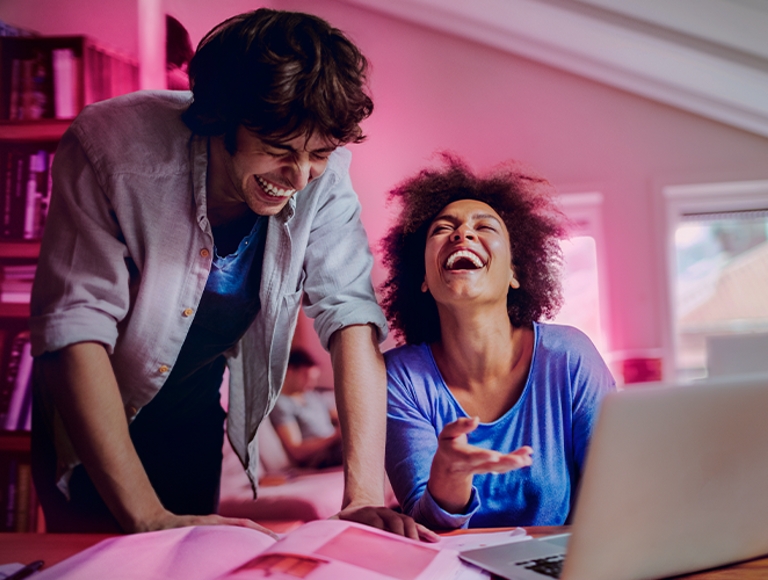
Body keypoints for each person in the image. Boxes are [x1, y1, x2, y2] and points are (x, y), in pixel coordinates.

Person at [30, 8, 433, 541]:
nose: (299, 177)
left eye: (318, 154)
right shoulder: (110, 147)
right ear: (221, 118)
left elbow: (352, 317)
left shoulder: (325, 177)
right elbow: (76, 326)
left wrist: (361, 497)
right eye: (278, 150)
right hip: (93, 418)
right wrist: (147, 517)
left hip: (192, 418)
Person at [380, 156, 615, 531]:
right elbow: (425, 529)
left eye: (484, 226)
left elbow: (612, 494)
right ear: (422, 276)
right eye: (444, 228)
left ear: (514, 273)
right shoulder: (399, 378)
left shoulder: (569, 357)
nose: (462, 234)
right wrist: (450, 478)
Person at [269, 348, 343, 469]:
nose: (311, 383)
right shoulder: (281, 404)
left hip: (335, 446)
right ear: (289, 372)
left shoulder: (313, 396)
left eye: (314, 379)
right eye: (306, 376)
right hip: (319, 457)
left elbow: (339, 417)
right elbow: (297, 451)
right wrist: (334, 437)